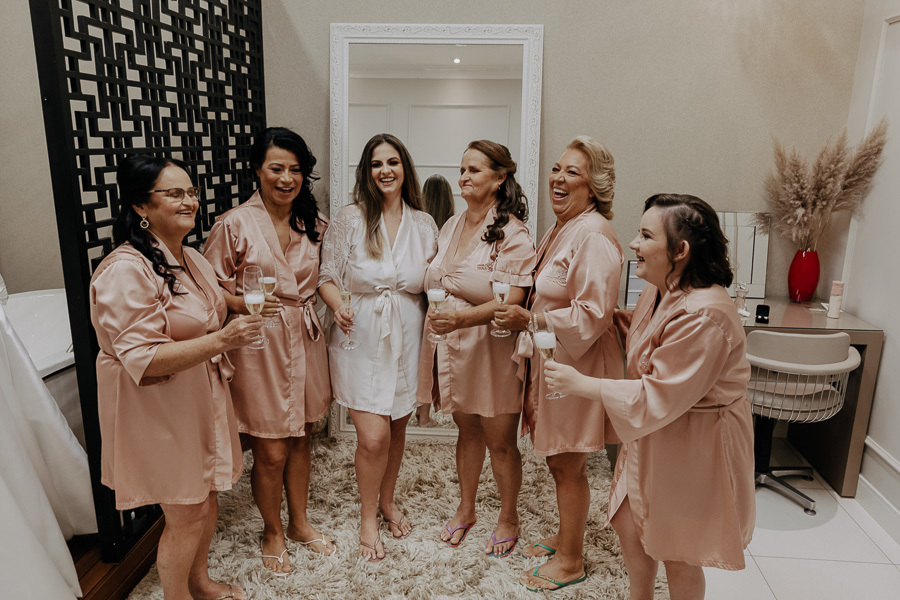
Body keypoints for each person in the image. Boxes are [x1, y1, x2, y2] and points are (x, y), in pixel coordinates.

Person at [544, 194, 756, 600]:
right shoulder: (659, 290)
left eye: (645, 236)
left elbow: (658, 392)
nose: (634, 244)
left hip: (696, 440)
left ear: (680, 250)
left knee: (679, 548)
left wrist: (581, 384)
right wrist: (602, 320)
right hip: (654, 431)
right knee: (629, 521)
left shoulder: (704, 314)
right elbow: (647, 337)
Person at [90, 156, 262, 600]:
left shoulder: (190, 257)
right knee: (186, 512)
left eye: (191, 192)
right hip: (158, 407)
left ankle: (199, 582)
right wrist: (223, 341)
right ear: (141, 206)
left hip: (198, 396)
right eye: (174, 193)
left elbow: (206, 308)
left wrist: (241, 307)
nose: (189, 201)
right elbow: (143, 358)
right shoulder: (126, 270)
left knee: (207, 498)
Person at [493, 136, 624, 591]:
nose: (558, 178)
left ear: (595, 186)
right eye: (556, 168)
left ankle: (571, 560)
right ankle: (566, 538)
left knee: (568, 463)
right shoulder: (563, 227)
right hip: (555, 360)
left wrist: (530, 318)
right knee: (558, 459)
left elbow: (594, 314)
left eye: (573, 172)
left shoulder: (594, 235)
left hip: (577, 365)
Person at [203, 127, 334, 575]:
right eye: (276, 168)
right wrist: (241, 303)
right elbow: (208, 292)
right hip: (259, 343)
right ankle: (272, 530)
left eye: (295, 170)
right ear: (257, 170)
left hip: (305, 337)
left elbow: (326, 278)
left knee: (301, 438)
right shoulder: (233, 224)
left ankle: (299, 523)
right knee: (271, 449)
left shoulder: (315, 223)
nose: (286, 178)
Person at [318, 133, 438, 561]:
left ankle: (387, 500)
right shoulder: (350, 219)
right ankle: (368, 517)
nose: (385, 170)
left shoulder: (424, 224)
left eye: (392, 162)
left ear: (405, 168)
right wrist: (339, 306)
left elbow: (437, 281)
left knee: (397, 427)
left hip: (409, 334)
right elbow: (326, 277)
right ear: (366, 173)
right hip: (361, 334)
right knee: (373, 438)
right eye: (375, 164)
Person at [418, 140, 536, 558]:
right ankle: (465, 508)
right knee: (467, 431)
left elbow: (514, 299)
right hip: (453, 349)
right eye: (462, 169)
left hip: (493, 348)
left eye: (474, 170)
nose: (464, 177)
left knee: (500, 440)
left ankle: (508, 516)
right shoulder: (451, 225)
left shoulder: (513, 234)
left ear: (500, 178)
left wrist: (460, 319)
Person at [416, 173, 456, 427]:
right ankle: (426, 413)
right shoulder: (452, 230)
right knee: (434, 356)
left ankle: (420, 412)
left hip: (419, 295)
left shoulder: (419, 228)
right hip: (441, 297)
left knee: (421, 356)